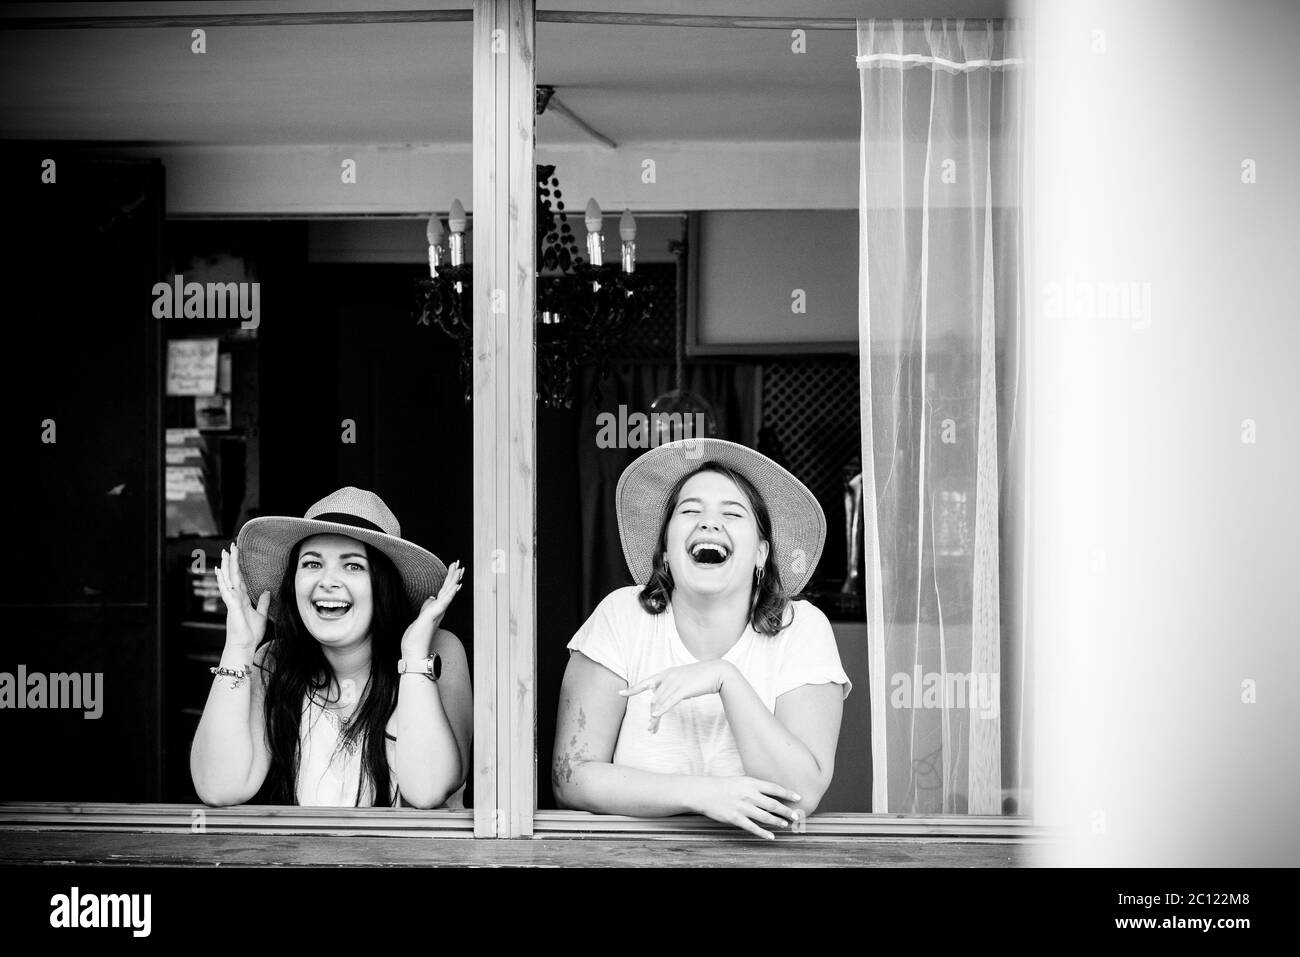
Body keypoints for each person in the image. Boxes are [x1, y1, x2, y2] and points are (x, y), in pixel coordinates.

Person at [552, 438, 851, 839]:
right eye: (690, 510)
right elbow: (571, 779)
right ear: (665, 552)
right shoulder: (621, 616)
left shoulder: (803, 627)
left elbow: (800, 796)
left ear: (762, 553)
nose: (709, 523)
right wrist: (704, 795)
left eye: (733, 513)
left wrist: (725, 678)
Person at [190, 487, 471, 808]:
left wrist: (414, 659)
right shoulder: (272, 660)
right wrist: (238, 650)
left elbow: (428, 790)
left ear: (382, 586)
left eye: (352, 566)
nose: (327, 581)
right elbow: (218, 787)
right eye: (312, 564)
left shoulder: (439, 652)